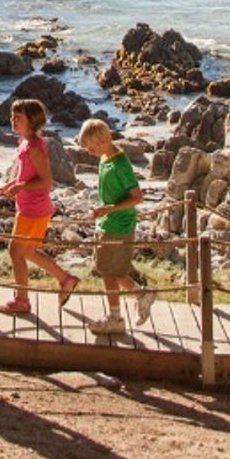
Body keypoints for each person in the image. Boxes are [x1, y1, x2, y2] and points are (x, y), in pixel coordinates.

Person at [0, 98, 79, 318]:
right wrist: (5, 187)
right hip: (32, 207)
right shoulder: (25, 143)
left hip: (34, 209)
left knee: (15, 251)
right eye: (13, 116)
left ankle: (22, 301)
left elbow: (46, 181)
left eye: (18, 117)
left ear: (32, 121)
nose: (13, 120)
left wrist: (20, 187)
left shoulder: (35, 148)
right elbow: (24, 176)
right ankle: (66, 279)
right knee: (27, 251)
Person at [78, 118, 150, 336]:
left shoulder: (120, 164)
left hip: (118, 224)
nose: (89, 152)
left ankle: (116, 317)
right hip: (107, 222)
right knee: (109, 269)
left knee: (109, 271)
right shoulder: (105, 158)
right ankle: (140, 295)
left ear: (103, 140)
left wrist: (108, 210)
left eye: (91, 147)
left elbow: (137, 198)